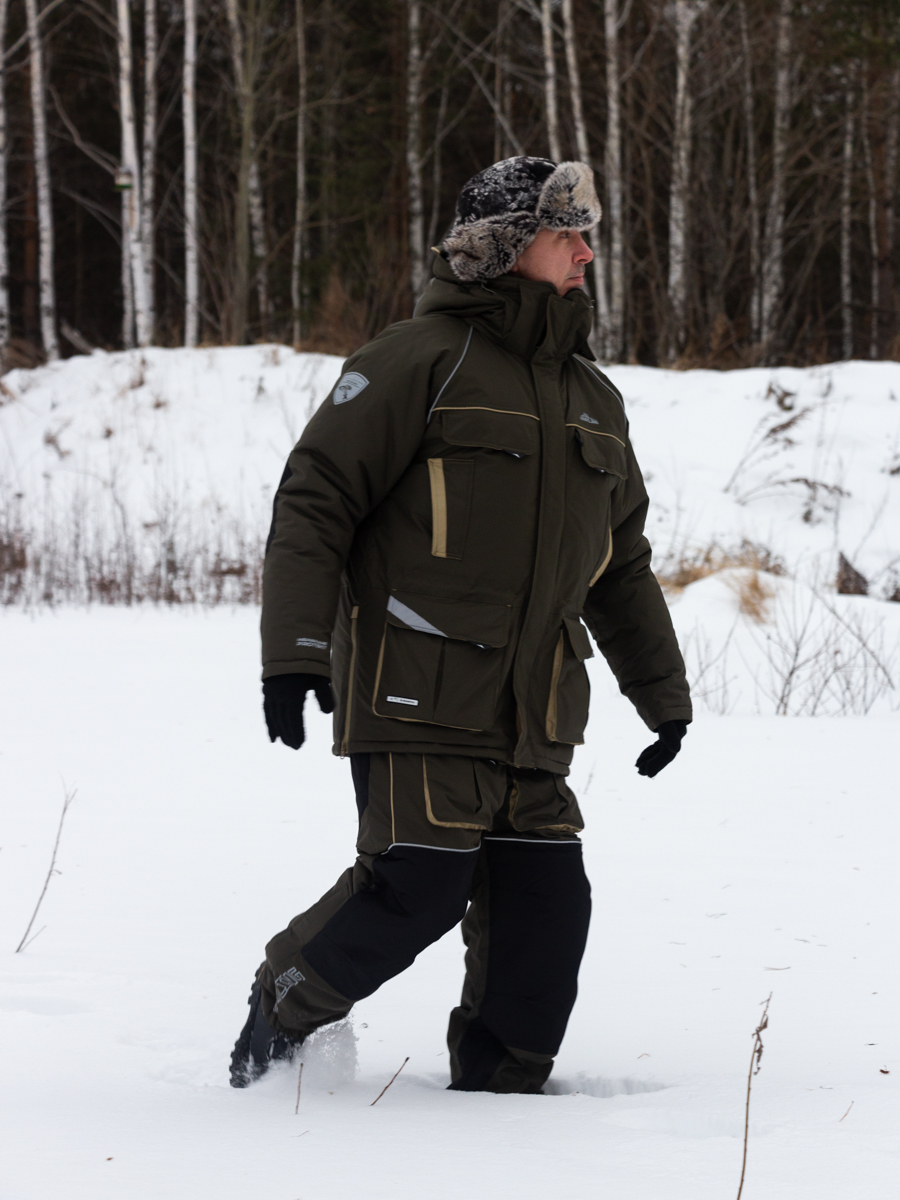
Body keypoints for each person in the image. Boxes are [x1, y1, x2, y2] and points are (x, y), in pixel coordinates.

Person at [229, 156, 691, 1094]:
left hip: (537, 708)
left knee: (546, 909)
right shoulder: (415, 360)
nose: (587, 255)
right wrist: (295, 653)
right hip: (419, 690)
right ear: (508, 246)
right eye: (567, 236)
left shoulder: (593, 397)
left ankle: (500, 1097)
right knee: (416, 885)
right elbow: (316, 501)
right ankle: (281, 1007)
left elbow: (622, 563)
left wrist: (662, 695)